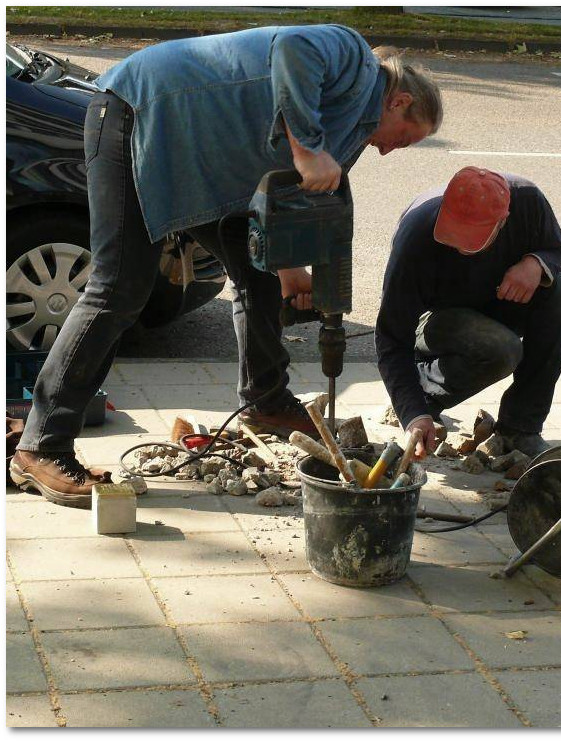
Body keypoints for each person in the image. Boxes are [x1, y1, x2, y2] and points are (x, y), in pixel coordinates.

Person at [10, 24, 442, 508]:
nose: (391, 151)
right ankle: (42, 445)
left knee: (259, 274)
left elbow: (286, 199)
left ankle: (267, 402)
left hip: (204, 166)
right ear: (400, 102)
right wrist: (306, 149)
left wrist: (289, 266)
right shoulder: (353, 57)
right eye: (404, 140)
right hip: (140, 117)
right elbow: (293, 48)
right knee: (119, 288)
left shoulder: (354, 133)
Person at [375, 166, 561, 459]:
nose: (460, 247)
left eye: (471, 238)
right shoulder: (417, 233)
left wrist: (536, 263)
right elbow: (391, 337)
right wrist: (412, 412)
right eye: (453, 235)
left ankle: (519, 427)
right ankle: (423, 395)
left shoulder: (527, 201)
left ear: (503, 221)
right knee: (502, 350)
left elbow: (559, 247)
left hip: (502, 304)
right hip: (438, 321)